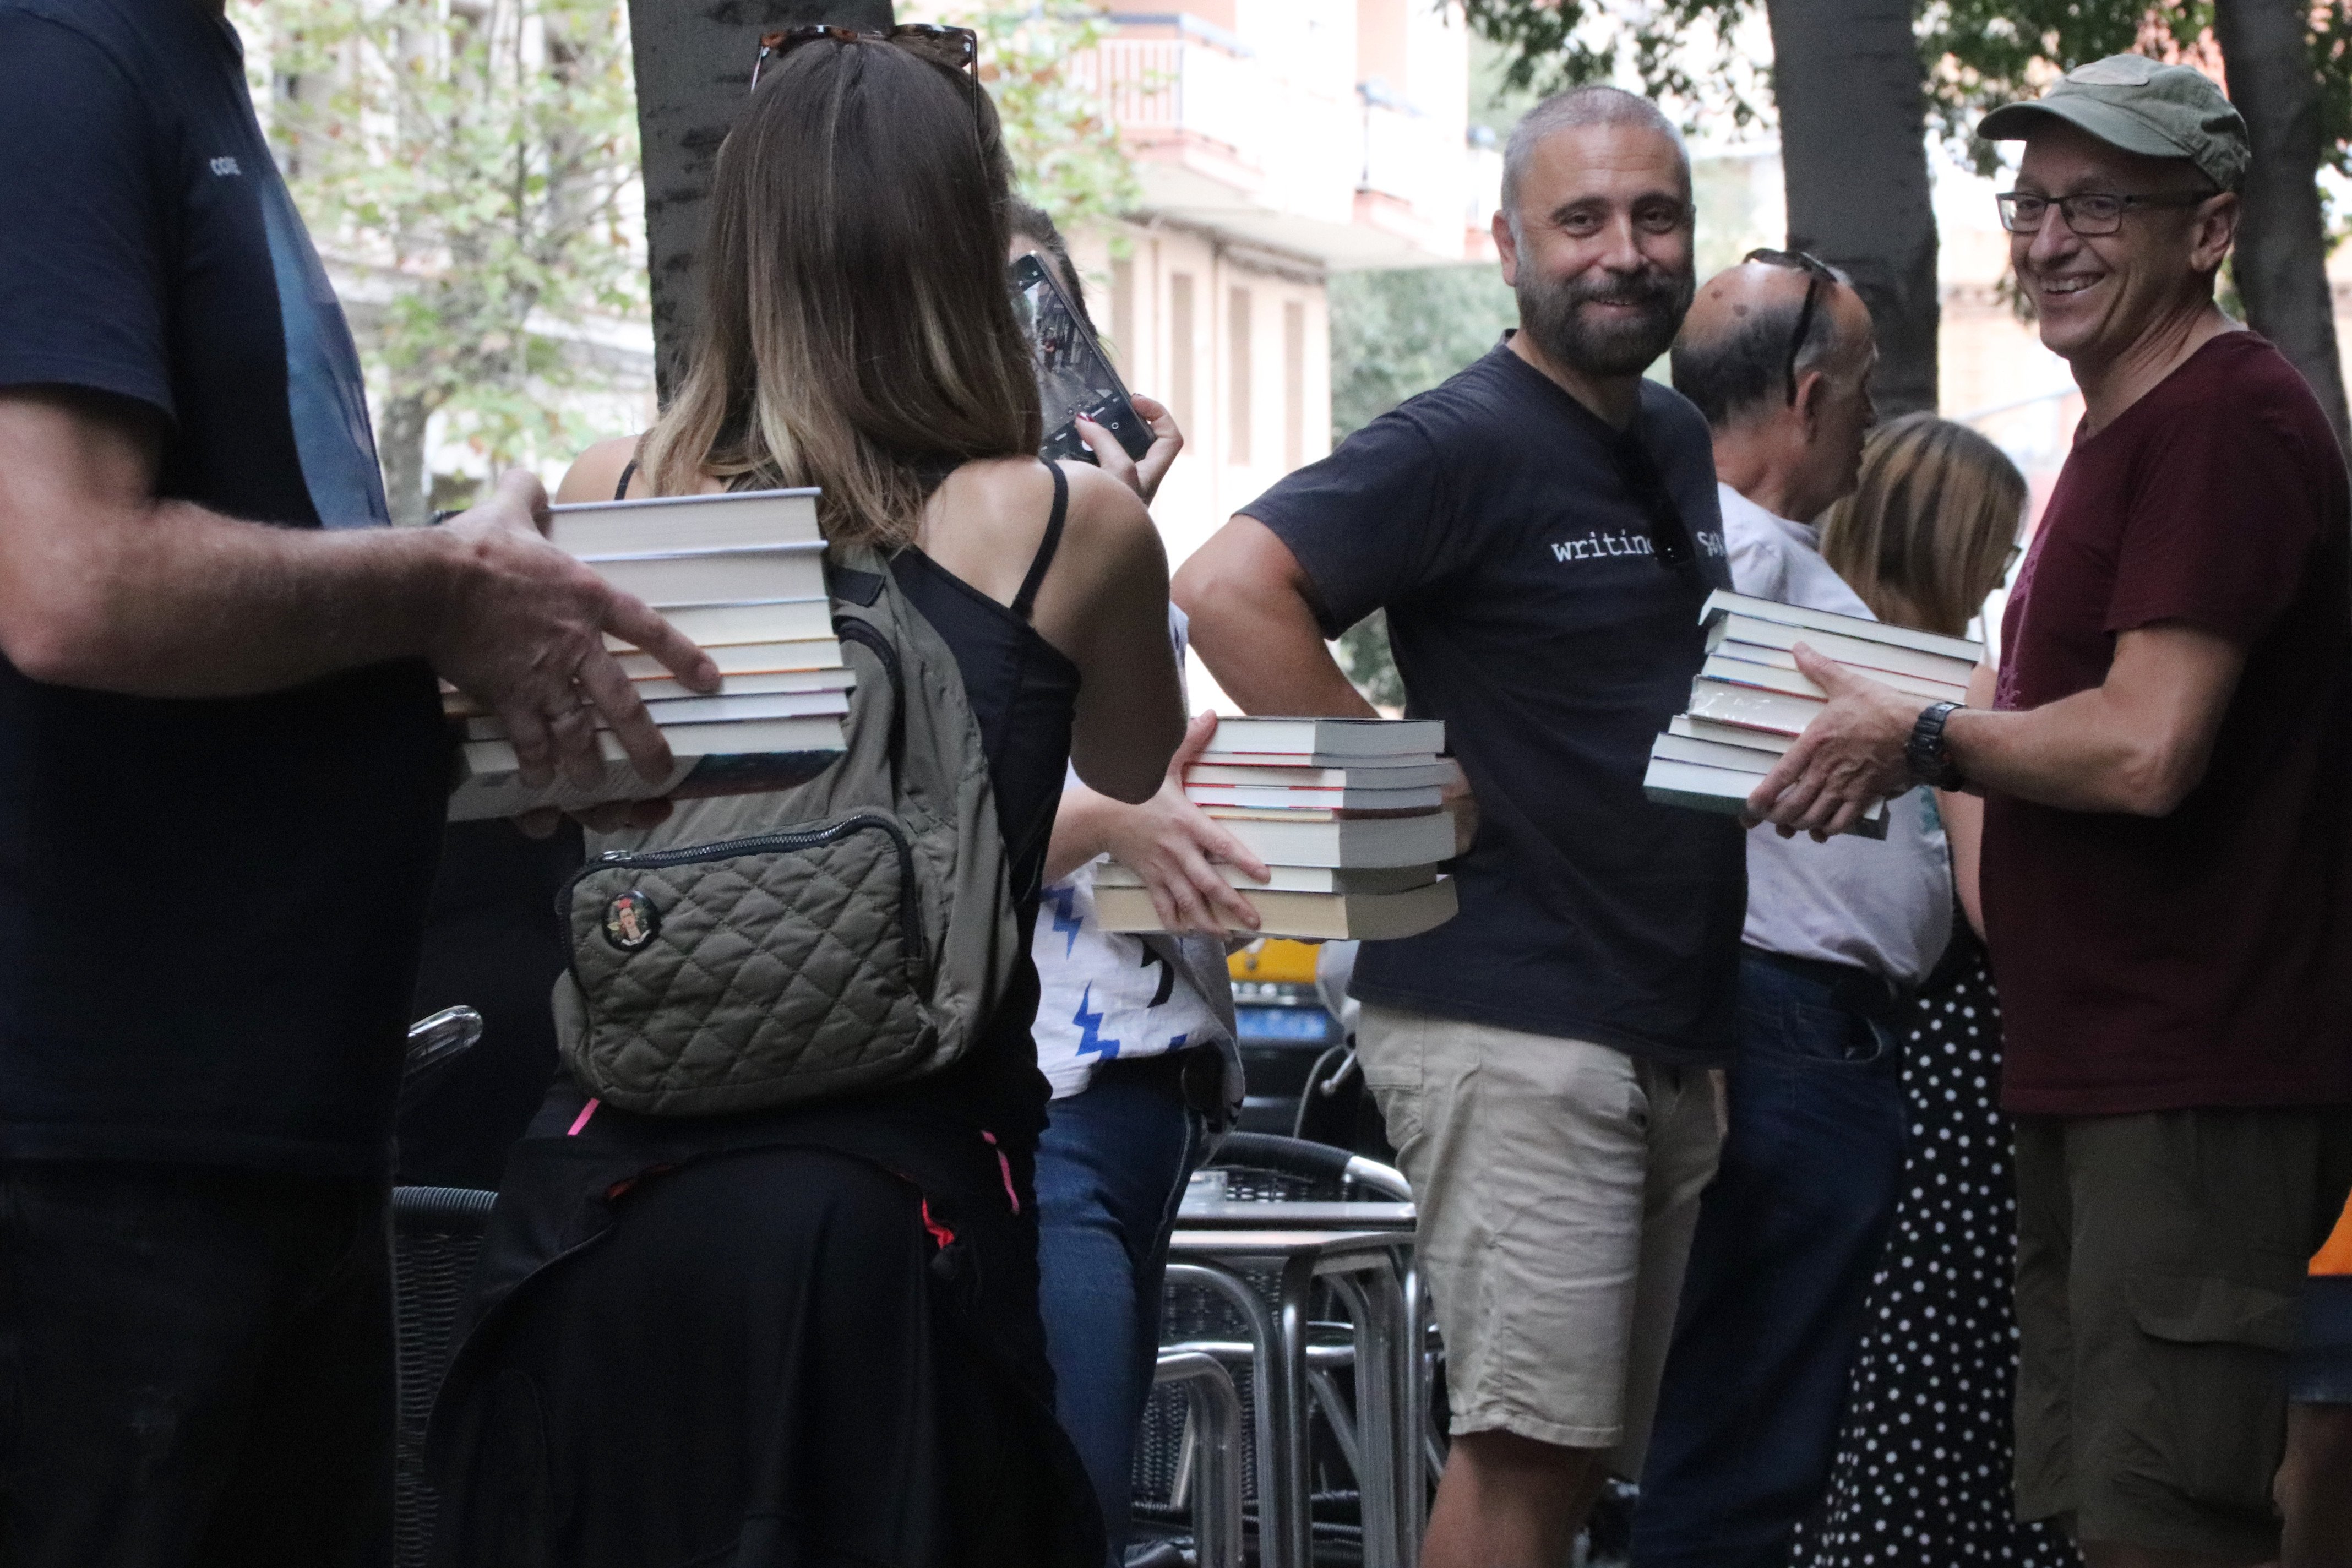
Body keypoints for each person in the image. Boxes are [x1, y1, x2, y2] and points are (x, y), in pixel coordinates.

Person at [425, 30, 1186, 1566]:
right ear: (970, 249)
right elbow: (1128, 760)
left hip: (604, 1206)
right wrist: (1101, 510)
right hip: (894, 1228)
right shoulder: (1064, 526)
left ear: (746, 252)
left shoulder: (612, 489)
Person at [0, 0, 716, 1560]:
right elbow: (64, 579)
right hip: (103, 1165)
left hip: (253, 1139)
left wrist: (474, 649)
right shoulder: (55, 54)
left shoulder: (166, 63)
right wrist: (444, 588)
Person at [1752, 56, 2352, 1566]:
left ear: (2210, 228)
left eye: (2101, 205)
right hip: (2098, 1067)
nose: (2050, 240)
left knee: (2166, 1523)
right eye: (2030, 204)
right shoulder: (2124, 422)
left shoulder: (2223, 417)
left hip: (2193, 1071)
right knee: (2095, 1511)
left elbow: (2151, 749)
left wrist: (1928, 735)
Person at [1175, 85, 1737, 1568]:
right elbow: (1227, 586)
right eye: (1581, 221)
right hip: (1511, 1012)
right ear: (1505, 247)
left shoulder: (1671, 439)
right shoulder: (1459, 436)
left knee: (1575, 1467)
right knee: (1521, 1453)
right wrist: (1388, 769)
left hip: (1656, 1014)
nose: (1624, 252)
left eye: (1656, 216)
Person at [1631, 259, 1958, 1568]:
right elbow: (1667, 809)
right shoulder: (1741, 557)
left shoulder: (1750, 553)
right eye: (1868, 389)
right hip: (1781, 1036)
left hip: (1794, 1035)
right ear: (1811, 396)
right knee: (1748, 1445)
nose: (1876, 419)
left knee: (1753, 1434)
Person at [1783, 413, 2080, 1568]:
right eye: (1998, 544)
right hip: (1964, 1073)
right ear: (1948, 538)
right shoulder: (1949, 684)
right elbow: (1995, 891)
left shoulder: (1810, 655)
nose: (2007, 572)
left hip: (1845, 1048)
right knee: (1958, 1376)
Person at [1008, 200, 1251, 1564]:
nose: (1047, 348)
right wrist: (1117, 826)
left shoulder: (1090, 538)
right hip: (1045, 1099)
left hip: (1142, 1093)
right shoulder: (931, 545)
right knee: (1073, 1499)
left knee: (1086, 1483)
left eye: (1058, 312)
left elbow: (1128, 763)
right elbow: (947, 822)